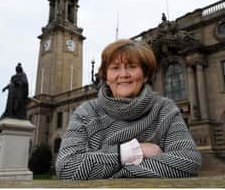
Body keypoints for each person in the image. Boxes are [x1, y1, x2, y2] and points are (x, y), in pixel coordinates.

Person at [56, 39, 201, 179]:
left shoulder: (165, 109)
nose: (123, 74)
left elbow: (188, 161)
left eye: (132, 66)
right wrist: (134, 151)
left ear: (145, 76)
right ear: (106, 77)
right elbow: (66, 166)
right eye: (115, 68)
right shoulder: (86, 112)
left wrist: (115, 174)